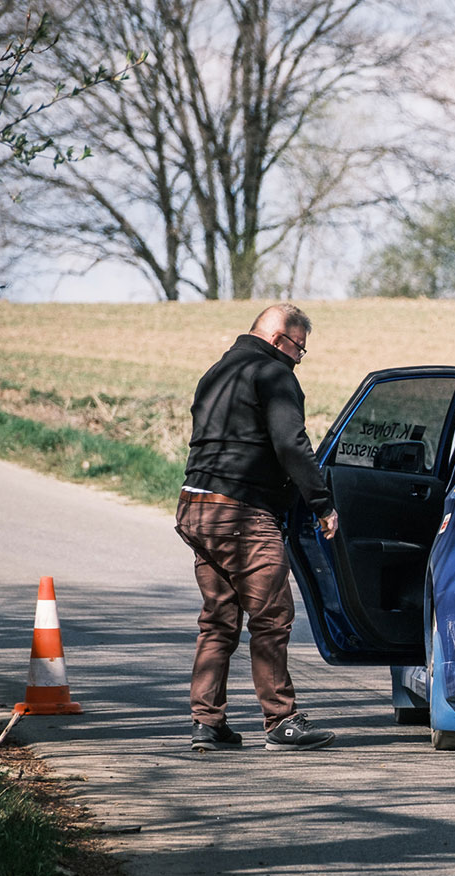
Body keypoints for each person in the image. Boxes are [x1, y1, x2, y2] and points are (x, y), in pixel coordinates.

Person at [175, 303, 340, 752]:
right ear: (277, 338)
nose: (299, 358)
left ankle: (207, 723)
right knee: (271, 617)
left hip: (196, 506)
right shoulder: (273, 373)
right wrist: (322, 503)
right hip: (241, 511)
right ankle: (280, 721)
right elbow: (291, 444)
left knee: (218, 620)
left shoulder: (216, 372)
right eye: (299, 348)